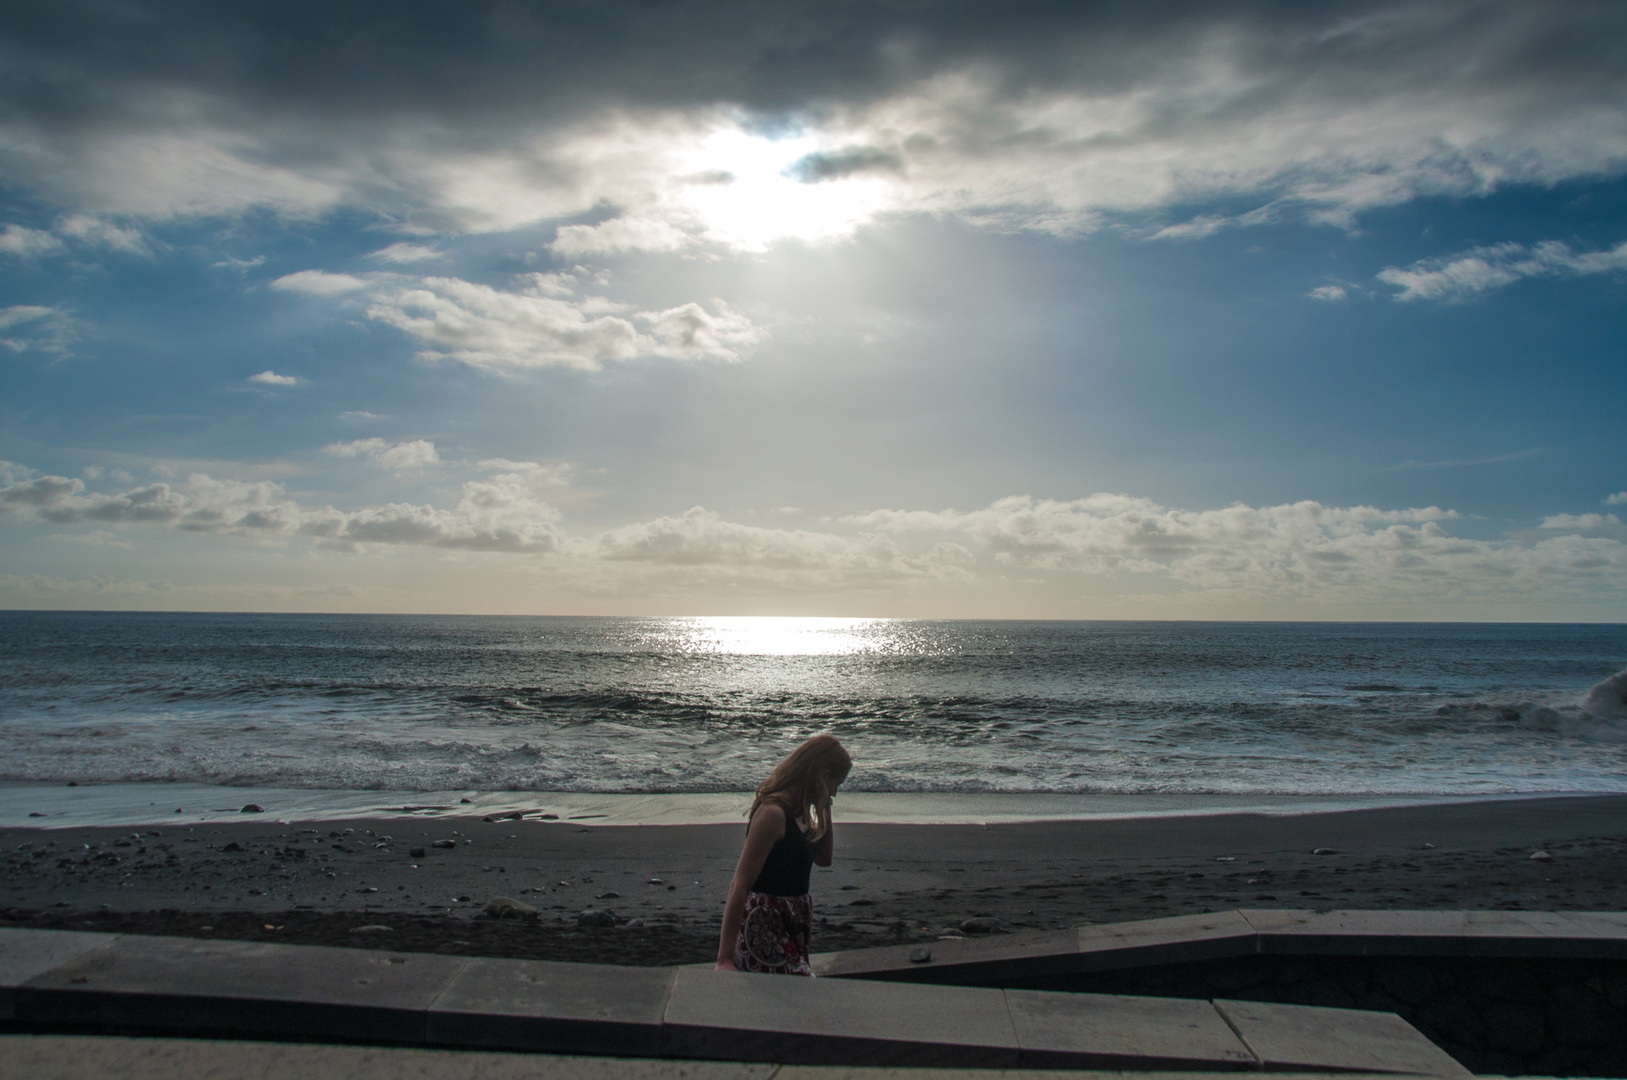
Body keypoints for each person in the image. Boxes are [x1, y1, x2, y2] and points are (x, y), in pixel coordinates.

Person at [715, 734, 851, 974]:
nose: (835, 793)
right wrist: (724, 959)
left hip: (792, 927)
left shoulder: (801, 814)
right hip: (763, 927)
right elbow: (740, 883)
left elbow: (824, 858)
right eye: (835, 785)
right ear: (821, 775)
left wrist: (825, 807)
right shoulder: (773, 814)